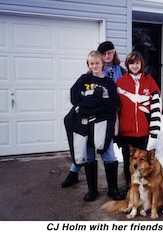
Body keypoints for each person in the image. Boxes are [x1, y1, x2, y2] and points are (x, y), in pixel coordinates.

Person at [61, 41, 125, 189]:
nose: (107, 56)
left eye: (110, 53)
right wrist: (91, 103)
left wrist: (98, 103)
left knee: (106, 150)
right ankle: (79, 177)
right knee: (85, 150)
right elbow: (75, 97)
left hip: (106, 119)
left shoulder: (117, 73)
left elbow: (115, 100)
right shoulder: (85, 78)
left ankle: (113, 189)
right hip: (86, 119)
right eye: (104, 53)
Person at [116, 51, 162, 188]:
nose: (134, 66)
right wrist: (115, 131)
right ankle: (129, 186)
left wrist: (154, 128)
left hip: (142, 131)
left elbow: (156, 106)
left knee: (142, 162)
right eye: (131, 63)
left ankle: (140, 186)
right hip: (125, 131)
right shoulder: (121, 82)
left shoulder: (149, 81)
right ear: (127, 65)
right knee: (128, 161)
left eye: (137, 63)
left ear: (141, 64)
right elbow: (116, 109)